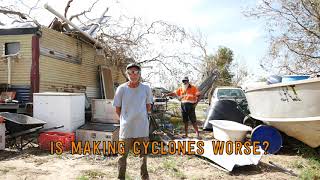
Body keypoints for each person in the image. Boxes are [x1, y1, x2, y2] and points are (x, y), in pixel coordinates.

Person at [113, 63, 153, 180]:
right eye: (130, 72)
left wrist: (139, 116)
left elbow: (148, 106)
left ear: (139, 74)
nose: (133, 75)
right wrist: (125, 119)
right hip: (126, 129)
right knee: (122, 156)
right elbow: (117, 108)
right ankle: (120, 178)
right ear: (127, 74)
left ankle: (144, 178)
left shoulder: (146, 88)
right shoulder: (121, 89)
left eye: (135, 72)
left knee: (143, 156)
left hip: (142, 128)